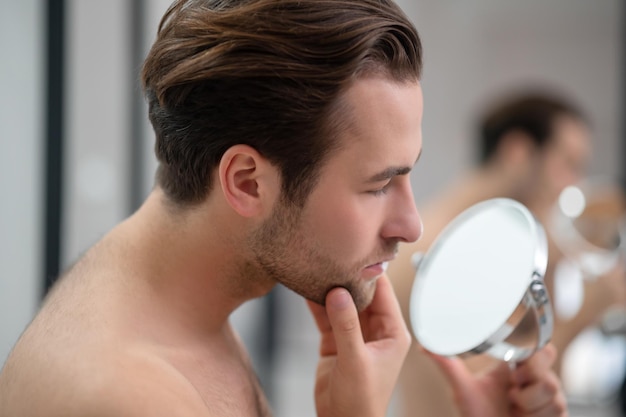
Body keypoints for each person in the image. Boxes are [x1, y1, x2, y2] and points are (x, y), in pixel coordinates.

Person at [0, 2, 567, 416]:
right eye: (377, 186)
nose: (411, 225)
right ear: (247, 182)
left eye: (407, 174)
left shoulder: (195, 303)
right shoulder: (124, 395)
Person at [387, 90, 626, 417]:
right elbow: (494, 392)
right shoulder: (443, 250)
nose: (575, 184)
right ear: (518, 152)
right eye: (569, 164)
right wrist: (587, 312)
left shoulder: (497, 245)